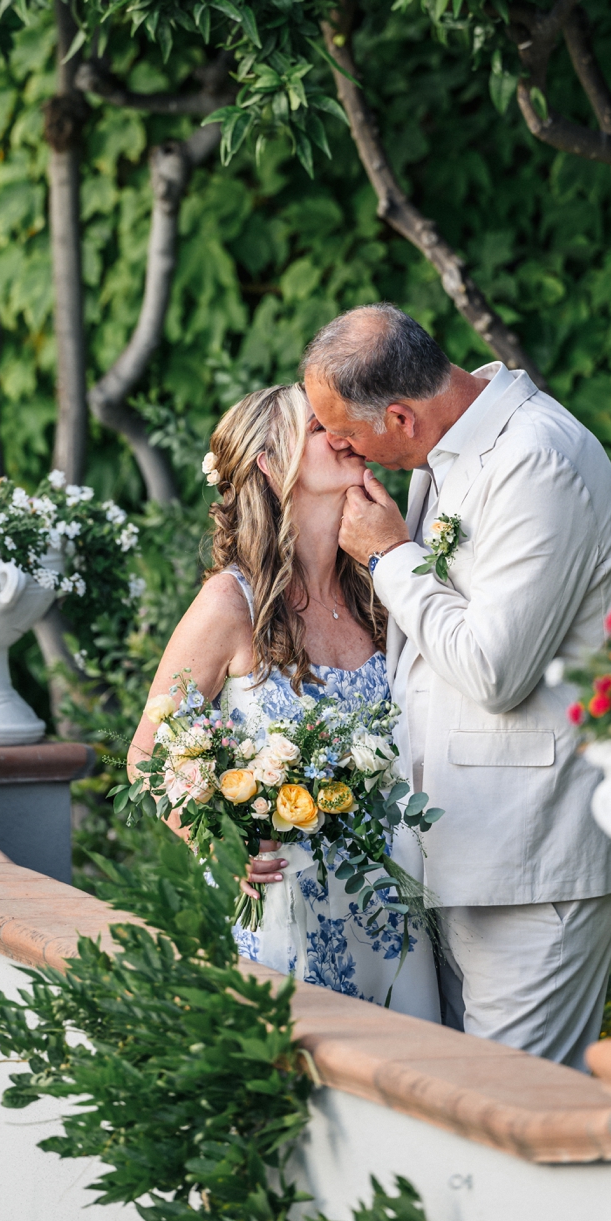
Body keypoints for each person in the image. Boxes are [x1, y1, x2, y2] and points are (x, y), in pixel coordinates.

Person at [302, 304, 611, 1072]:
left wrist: (391, 559)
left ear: (400, 416)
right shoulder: (446, 453)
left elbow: (494, 669)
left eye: (344, 432)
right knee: (462, 1112)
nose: (342, 449)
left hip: (531, 861)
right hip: (458, 854)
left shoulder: (538, 461)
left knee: (515, 1121)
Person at [127, 382, 440, 1019]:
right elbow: (146, 756)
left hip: (394, 903)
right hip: (289, 910)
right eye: (322, 428)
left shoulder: (380, 591)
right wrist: (221, 842)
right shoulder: (230, 604)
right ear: (273, 464)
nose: (346, 434)